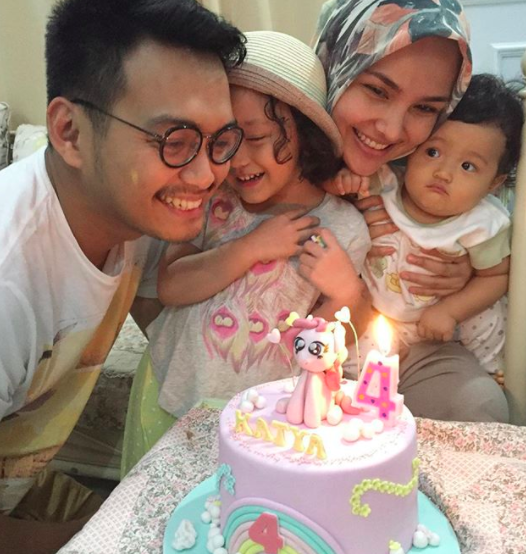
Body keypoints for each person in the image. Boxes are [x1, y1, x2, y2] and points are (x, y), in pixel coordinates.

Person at [0, 0, 245, 552]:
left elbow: (171, 330)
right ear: (70, 132)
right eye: (174, 141)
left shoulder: (142, 217)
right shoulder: (10, 279)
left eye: (221, 142)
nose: (207, 175)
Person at [122, 30, 371, 463]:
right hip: (168, 395)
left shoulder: (342, 226)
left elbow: (327, 346)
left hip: (268, 422)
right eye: (224, 140)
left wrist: (346, 293)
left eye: (255, 138)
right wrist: (251, 247)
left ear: (305, 134)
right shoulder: (210, 197)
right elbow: (171, 287)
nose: (236, 160)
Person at [315, 0, 509, 422]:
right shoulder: (270, 155)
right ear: (336, 66)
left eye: (425, 109)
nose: (391, 129)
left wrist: (463, 278)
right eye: (377, 90)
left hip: (418, 350)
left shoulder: (409, 170)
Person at [359, 74, 523, 378]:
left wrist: (450, 311)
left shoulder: (481, 224)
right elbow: (347, 185)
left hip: (445, 320)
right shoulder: (385, 183)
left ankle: (495, 375)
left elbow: (496, 277)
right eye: (432, 152)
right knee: (354, 362)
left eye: (467, 166)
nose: (444, 173)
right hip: (378, 314)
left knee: (488, 318)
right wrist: (345, 180)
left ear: (494, 183)